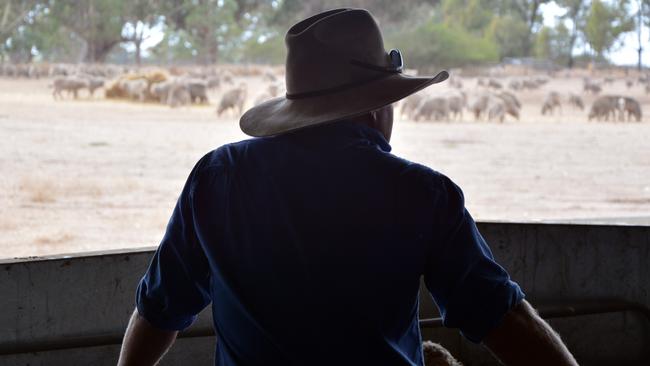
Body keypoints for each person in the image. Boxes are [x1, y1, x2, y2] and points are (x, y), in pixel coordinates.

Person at [118, 8, 579, 366]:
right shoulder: (422, 194)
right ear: (379, 106)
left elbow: (157, 312)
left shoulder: (218, 177)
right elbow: (503, 319)